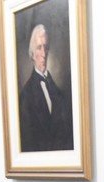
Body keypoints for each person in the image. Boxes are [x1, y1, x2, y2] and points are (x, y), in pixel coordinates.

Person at [18, 23, 74, 152]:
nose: (43, 53)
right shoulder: (25, 97)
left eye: (45, 47)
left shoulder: (59, 93)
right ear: (32, 54)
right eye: (39, 48)